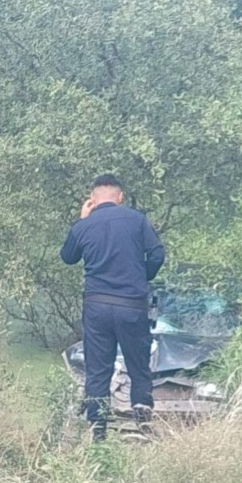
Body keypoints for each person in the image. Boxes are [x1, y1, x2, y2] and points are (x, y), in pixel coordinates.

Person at [60, 174, 165, 442]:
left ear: (92, 199)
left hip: (97, 306)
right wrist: (142, 277)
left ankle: (98, 429)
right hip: (132, 305)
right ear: (120, 197)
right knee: (138, 363)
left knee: (98, 367)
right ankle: (142, 420)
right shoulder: (137, 220)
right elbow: (157, 254)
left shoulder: (84, 226)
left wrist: (82, 220)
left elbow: (68, 257)